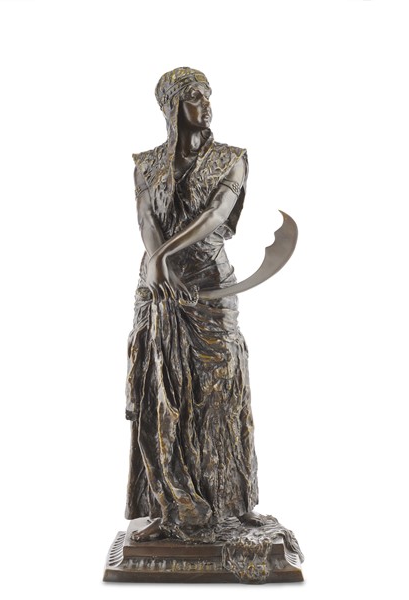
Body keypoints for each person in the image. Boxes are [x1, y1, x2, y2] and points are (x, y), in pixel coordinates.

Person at [125, 67, 262, 542]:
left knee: (219, 393)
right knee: (161, 395)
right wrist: (158, 266)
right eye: (195, 99)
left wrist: (162, 256)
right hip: (160, 289)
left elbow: (215, 214)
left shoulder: (230, 159)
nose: (206, 106)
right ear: (172, 107)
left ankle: (227, 506)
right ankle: (170, 507)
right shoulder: (146, 164)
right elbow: (146, 217)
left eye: (207, 97)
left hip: (209, 287)